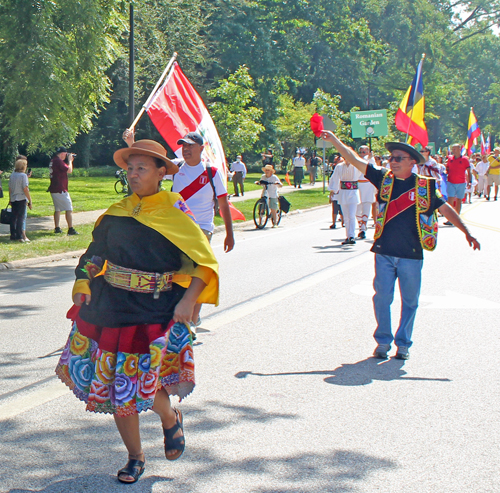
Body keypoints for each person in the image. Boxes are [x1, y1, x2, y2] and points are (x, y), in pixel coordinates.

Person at [55, 139, 219, 484]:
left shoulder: (177, 213)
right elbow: (94, 255)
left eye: (141, 168)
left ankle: (170, 416)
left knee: (144, 381)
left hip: (155, 309)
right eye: (129, 168)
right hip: (110, 306)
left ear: (162, 173)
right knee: (119, 387)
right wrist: (83, 282)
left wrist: (189, 300)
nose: (132, 174)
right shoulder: (117, 212)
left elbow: (202, 263)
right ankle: (135, 457)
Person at [321, 130, 480, 360]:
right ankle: (383, 342)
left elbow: (446, 209)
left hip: (411, 255)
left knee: (410, 302)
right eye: (391, 158)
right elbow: (354, 158)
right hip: (384, 252)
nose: (392, 162)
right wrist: (334, 139)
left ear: (412, 162)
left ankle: (403, 343)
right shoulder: (383, 179)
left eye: (398, 158)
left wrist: (467, 232)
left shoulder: (425, 187)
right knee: (382, 298)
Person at [328, 156, 363, 245]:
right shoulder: (339, 166)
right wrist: (333, 190)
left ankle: (352, 236)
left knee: (351, 215)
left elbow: (365, 169)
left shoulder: (356, 166)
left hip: (353, 192)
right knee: (346, 216)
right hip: (343, 192)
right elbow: (335, 178)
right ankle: (348, 236)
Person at [48, 147, 78, 235]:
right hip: (60, 189)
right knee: (69, 208)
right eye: (66, 154)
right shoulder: (58, 161)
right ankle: (70, 229)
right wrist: (70, 161)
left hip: (54, 188)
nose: (66, 155)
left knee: (57, 209)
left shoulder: (53, 160)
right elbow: (69, 170)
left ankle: (57, 227)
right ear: (62, 153)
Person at [8, 155, 32, 242]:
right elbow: (25, 188)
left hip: (14, 198)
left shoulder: (12, 175)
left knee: (14, 217)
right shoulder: (23, 176)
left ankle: (13, 235)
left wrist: (10, 198)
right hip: (21, 198)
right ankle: (20, 236)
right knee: (21, 218)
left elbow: (10, 188)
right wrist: (30, 200)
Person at [445, 144, 471, 221]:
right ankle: (450, 219)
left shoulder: (465, 159)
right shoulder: (450, 159)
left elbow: (469, 172)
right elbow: (448, 168)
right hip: (451, 182)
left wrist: (469, 182)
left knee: (459, 200)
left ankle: (457, 218)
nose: (453, 150)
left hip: (461, 182)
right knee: (450, 200)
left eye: (455, 149)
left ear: (459, 149)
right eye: (452, 149)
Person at [356, 145, 377, 239]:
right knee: (357, 208)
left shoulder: (371, 161)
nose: (362, 154)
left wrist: (370, 158)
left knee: (366, 206)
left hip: (368, 185)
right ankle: (361, 224)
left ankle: (363, 228)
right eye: (361, 152)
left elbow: (374, 169)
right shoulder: (356, 160)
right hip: (358, 185)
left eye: (364, 152)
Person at [327, 158, 344, 229]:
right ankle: (334, 223)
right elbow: (331, 183)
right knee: (335, 209)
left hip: (342, 194)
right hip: (335, 194)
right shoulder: (333, 175)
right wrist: (331, 193)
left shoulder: (345, 173)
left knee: (342, 209)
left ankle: (343, 222)